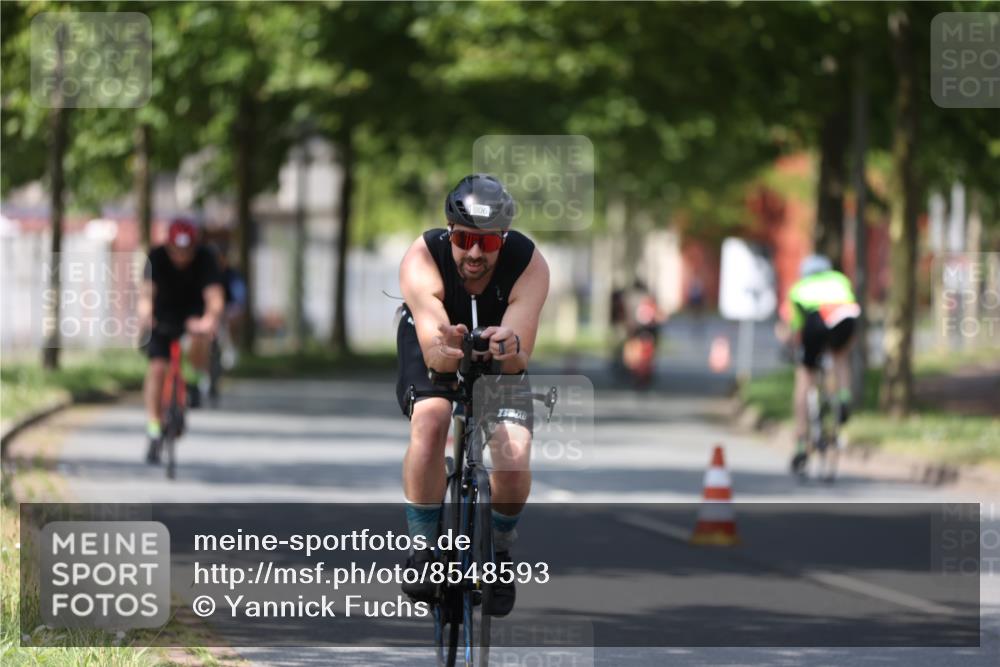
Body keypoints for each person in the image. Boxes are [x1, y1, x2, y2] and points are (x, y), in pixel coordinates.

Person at [395, 174, 549, 617]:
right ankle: (423, 549)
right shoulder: (423, 256)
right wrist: (447, 343)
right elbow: (435, 354)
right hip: (434, 346)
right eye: (464, 239)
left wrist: (507, 344)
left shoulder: (529, 263)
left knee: (514, 453)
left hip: (499, 354)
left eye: (488, 243)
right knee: (431, 420)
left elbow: (518, 359)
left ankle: (499, 554)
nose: (475, 253)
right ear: (450, 233)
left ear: (503, 239)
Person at [138, 218, 224, 463]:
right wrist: (145, 314)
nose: (182, 257)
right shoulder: (156, 257)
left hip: (192, 315)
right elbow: (146, 294)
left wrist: (210, 318)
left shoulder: (206, 258)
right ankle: (154, 427)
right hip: (163, 316)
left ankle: (195, 380)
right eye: (177, 251)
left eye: (187, 251)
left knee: (200, 339)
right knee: (157, 369)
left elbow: (215, 297)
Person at [784, 254, 861, 474]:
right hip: (845, 316)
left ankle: (800, 443)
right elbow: (852, 305)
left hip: (816, 317)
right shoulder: (840, 279)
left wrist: (792, 346)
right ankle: (844, 397)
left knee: (804, 376)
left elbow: (796, 327)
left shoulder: (799, 287)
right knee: (840, 356)